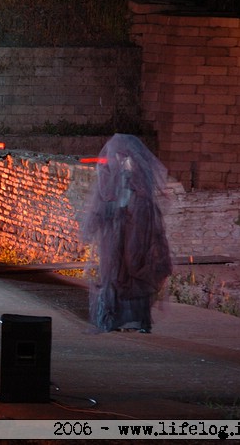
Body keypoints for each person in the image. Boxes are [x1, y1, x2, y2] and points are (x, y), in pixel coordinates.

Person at [82, 133, 172, 333]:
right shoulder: (110, 174)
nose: (121, 160)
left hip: (136, 233)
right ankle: (115, 317)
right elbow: (104, 201)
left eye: (125, 156)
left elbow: (145, 206)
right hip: (115, 233)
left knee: (134, 270)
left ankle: (137, 319)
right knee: (115, 272)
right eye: (119, 156)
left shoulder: (141, 178)